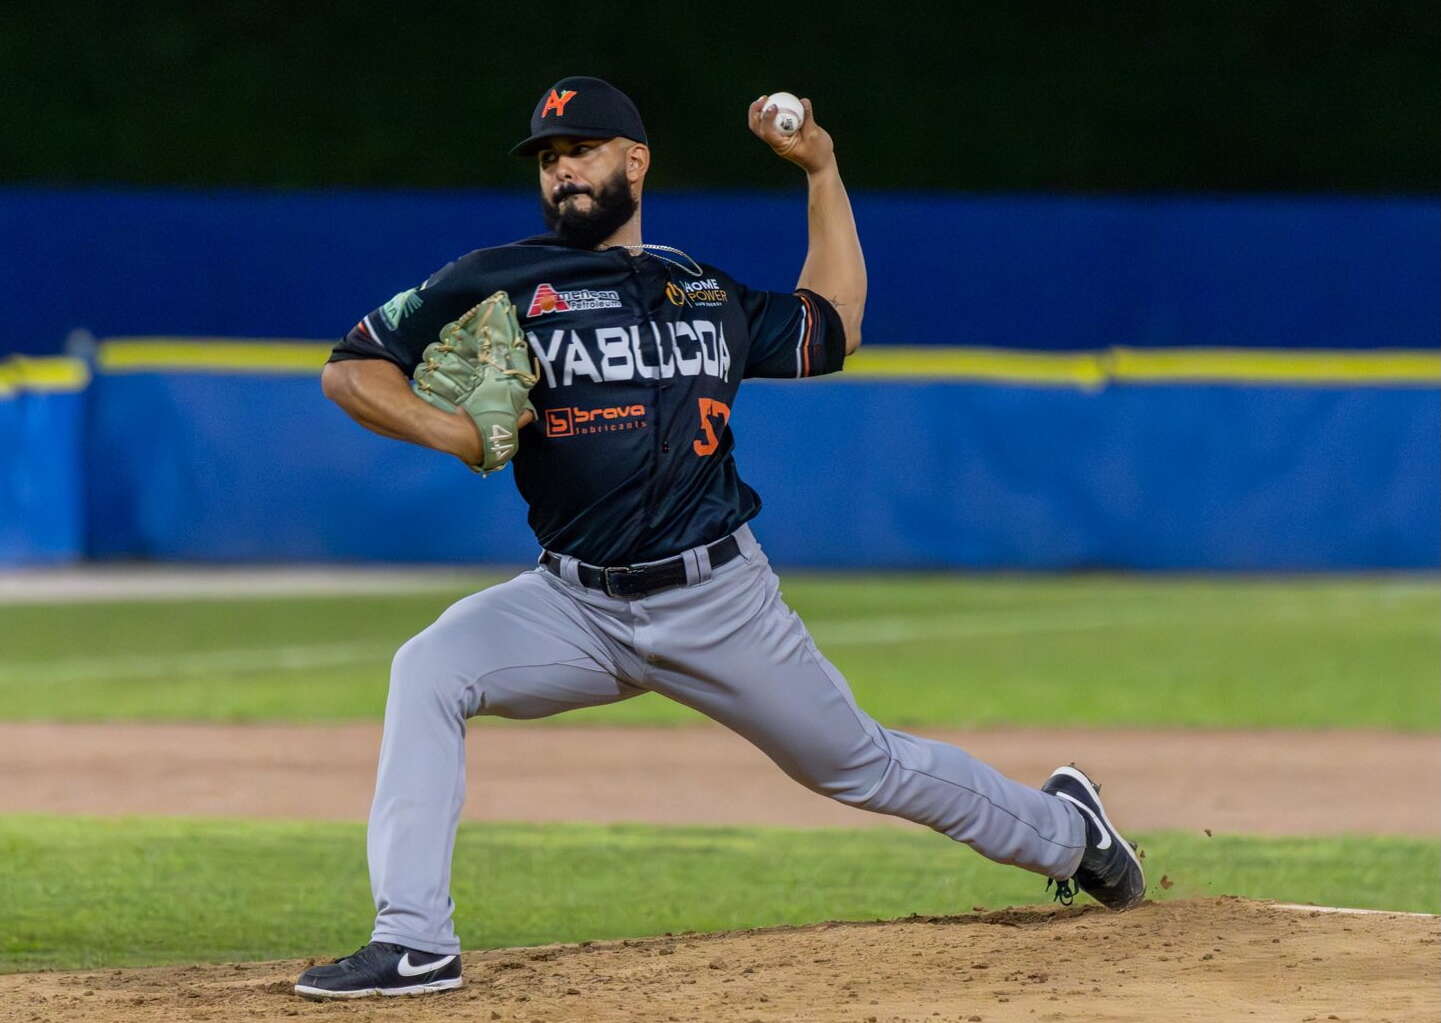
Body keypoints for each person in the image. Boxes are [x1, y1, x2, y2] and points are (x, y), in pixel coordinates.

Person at [295, 76, 1143, 1001]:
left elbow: (835, 325)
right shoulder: (496, 277)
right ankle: (415, 938)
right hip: (572, 603)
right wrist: (452, 430)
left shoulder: (700, 289)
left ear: (635, 161)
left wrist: (820, 169)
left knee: (859, 765)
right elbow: (352, 369)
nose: (562, 169)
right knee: (429, 669)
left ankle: (1073, 836)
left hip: (717, 600)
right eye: (547, 156)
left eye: (579, 148)